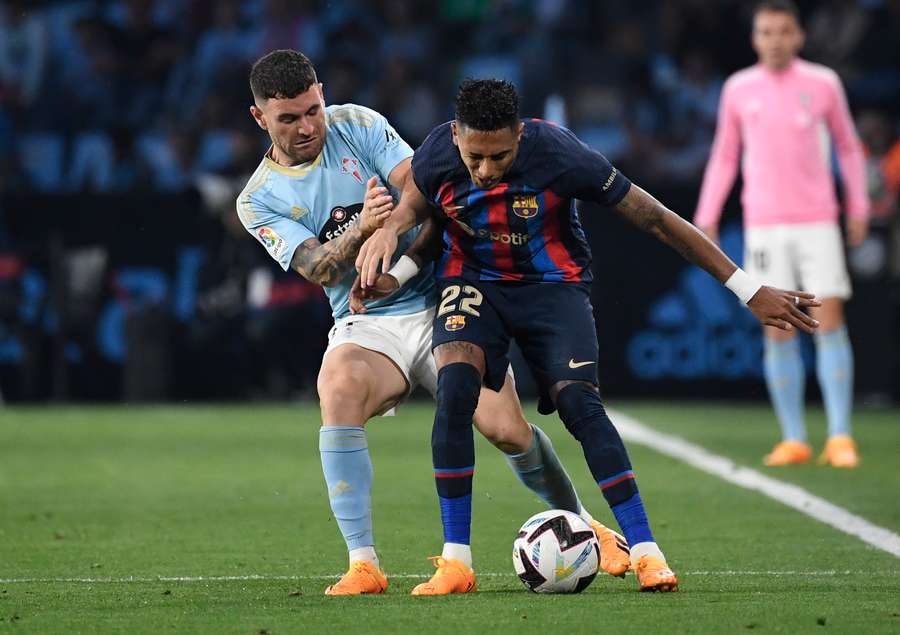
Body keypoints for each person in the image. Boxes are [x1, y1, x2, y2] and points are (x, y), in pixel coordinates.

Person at [355, 78, 821, 595]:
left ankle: (646, 550)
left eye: (500, 157)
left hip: (552, 288)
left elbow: (656, 219)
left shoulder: (559, 153)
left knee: (581, 406)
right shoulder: (438, 151)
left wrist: (747, 289)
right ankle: (456, 563)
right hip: (471, 282)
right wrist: (389, 246)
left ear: (519, 134)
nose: (485, 171)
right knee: (456, 389)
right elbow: (418, 219)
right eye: (475, 158)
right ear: (458, 135)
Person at [236, 50, 629, 596]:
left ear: (322, 94)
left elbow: (429, 194)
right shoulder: (257, 199)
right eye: (289, 119)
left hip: (443, 296)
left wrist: (392, 236)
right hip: (367, 319)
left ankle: (587, 525)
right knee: (338, 387)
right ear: (261, 119)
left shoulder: (359, 124)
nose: (307, 127)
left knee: (506, 430)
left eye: (313, 110)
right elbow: (317, 268)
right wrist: (360, 230)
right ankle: (364, 564)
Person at [694, 0, 869, 468]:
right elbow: (725, 154)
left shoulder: (823, 84)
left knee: (829, 319)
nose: (775, 40)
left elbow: (849, 149)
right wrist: (707, 213)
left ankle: (839, 436)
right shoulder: (739, 88)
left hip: (817, 221)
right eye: (766, 32)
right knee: (777, 328)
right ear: (755, 38)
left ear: (799, 36)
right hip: (765, 224)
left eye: (783, 31)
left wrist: (858, 205)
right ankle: (793, 437)